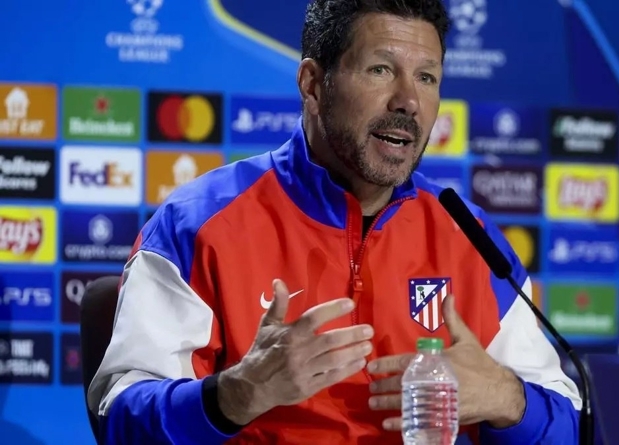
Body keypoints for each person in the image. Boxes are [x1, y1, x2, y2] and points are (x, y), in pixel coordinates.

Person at [86, 0, 582, 443]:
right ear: (313, 85)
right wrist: (236, 394)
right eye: (381, 70)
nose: (408, 101)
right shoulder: (199, 225)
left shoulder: (470, 238)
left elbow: (570, 426)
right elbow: (121, 420)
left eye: (427, 78)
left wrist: (506, 398)